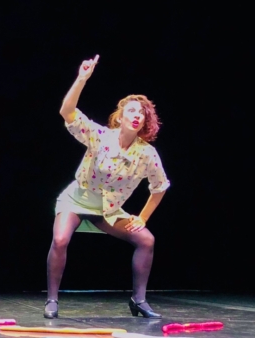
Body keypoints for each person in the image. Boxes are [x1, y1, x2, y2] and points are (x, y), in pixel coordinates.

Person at [45, 55, 170, 319]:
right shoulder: (100, 136)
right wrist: (82, 78)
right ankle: (52, 300)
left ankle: (139, 300)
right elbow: (67, 112)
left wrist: (142, 217)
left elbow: (160, 187)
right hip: (77, 201)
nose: (137, 116)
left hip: (108, 211)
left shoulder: (147, 154)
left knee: (146, 239)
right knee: (60, 239)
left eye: (141, 113)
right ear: (120, 117)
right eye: (132, 111)